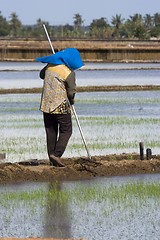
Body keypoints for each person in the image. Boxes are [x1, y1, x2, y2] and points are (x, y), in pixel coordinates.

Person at [36, 48, 84, 167]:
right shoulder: (68, 72)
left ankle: (51, 156)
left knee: (51, 130)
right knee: (66, 130)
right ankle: (56, 155)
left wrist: (51, 61)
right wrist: (71, 102)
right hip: (61, 105)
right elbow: (71, 91)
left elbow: (41, 75)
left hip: (46, 104)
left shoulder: (49, 67)